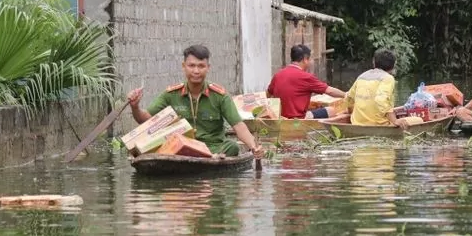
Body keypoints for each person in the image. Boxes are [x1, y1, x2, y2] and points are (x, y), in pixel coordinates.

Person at [127, 45, 264, 159]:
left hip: (213, 148)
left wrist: (254, 147)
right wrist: (135, 107)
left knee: (232, 146)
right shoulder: (171, 94)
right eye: (191, 66)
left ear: (208, 68)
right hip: (181, 148)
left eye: (201, 66)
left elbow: (238, 126)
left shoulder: (220, 96)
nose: (196, 71)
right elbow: (145, 120)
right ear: (184, 66)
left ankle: (212, 158)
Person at [266, 44, 346, 119]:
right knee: (332, 110)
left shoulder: (278, 74)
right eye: (309, 59)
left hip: (280, 118)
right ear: (305, 59)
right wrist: (347, 95)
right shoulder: (306, 77)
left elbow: (268, 94)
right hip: (298, 119)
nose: (310, 62)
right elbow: (329, 91)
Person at [345, 49, 404, 126]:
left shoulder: (362, 76)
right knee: (416, 120)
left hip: (356, 123)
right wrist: (395, 121)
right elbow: (381, 101)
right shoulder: (388, 78)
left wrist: (350, 113)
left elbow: (349, 98)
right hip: (378, 125)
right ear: (393, 66)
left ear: (374, 62)